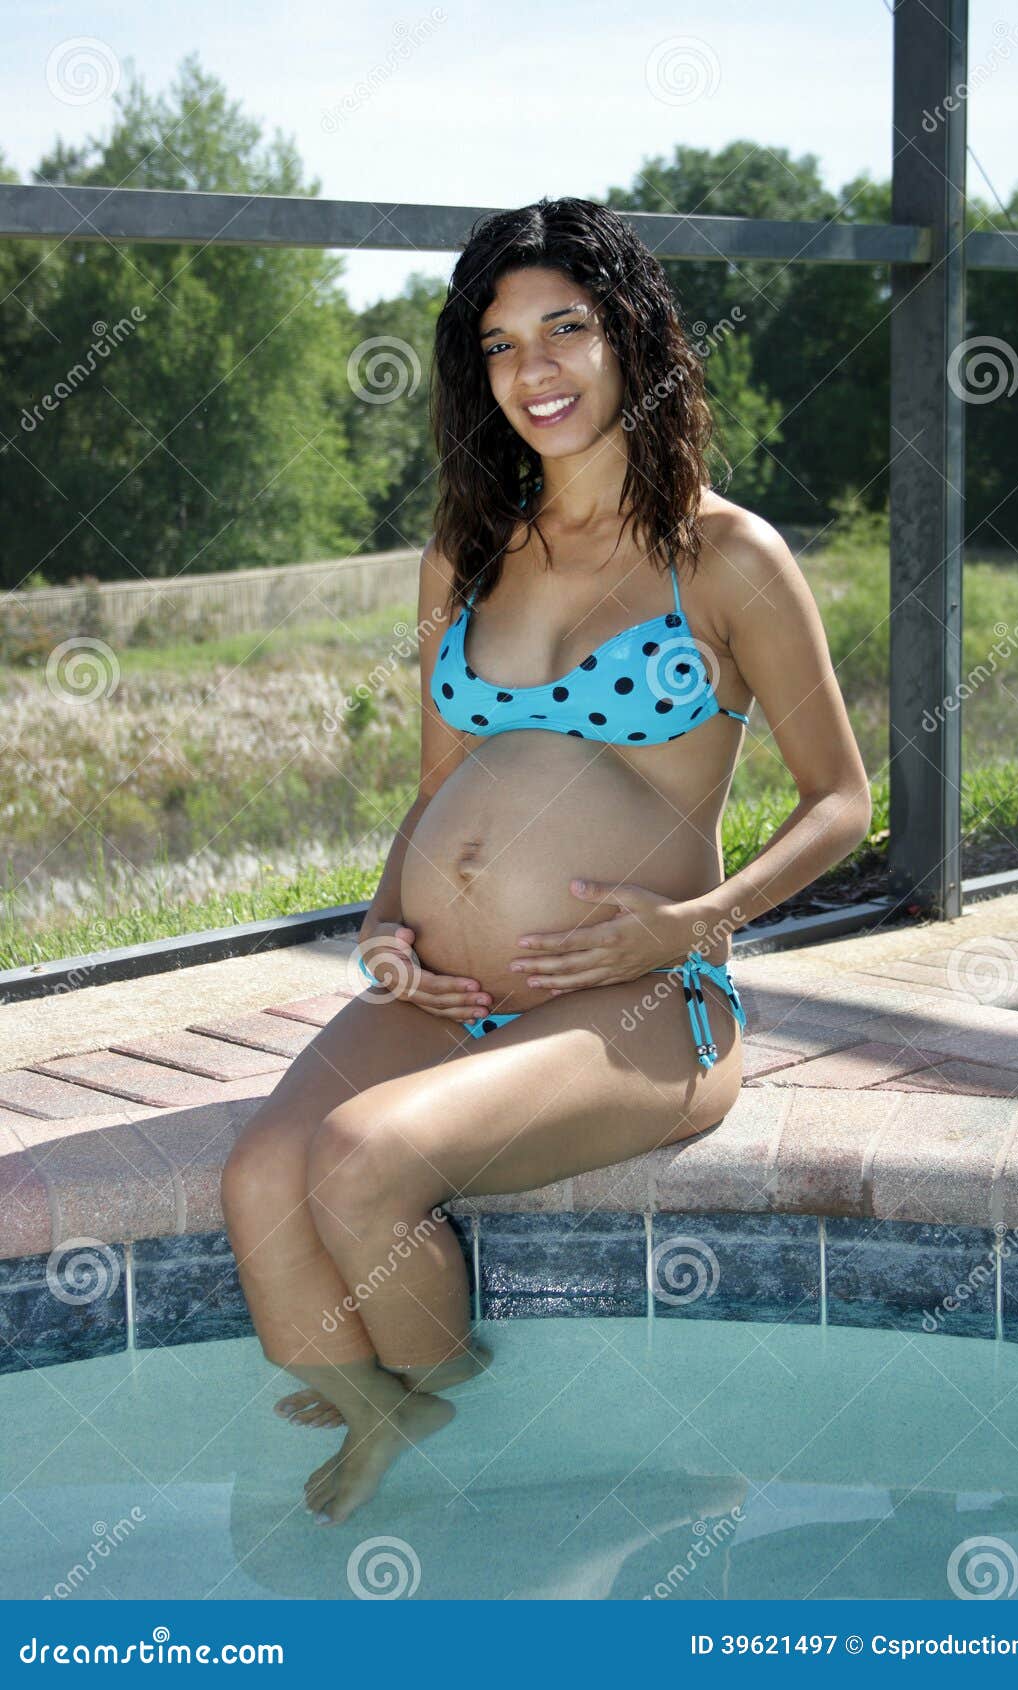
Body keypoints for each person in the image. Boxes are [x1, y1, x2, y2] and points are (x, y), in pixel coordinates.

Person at [220, 196, 872, 1526]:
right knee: (255, 1183)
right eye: (504, 343)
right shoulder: (467, 552)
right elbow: (437, 790)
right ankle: (402, 1399)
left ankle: (472, 1417)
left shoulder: (724, 557)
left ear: (632, 338)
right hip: (444, 993)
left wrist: (696, 918)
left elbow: (842, 802)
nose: (537, 371)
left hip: (641, 1002)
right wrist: (390, 924)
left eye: (566, 329)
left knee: (356, 1164)